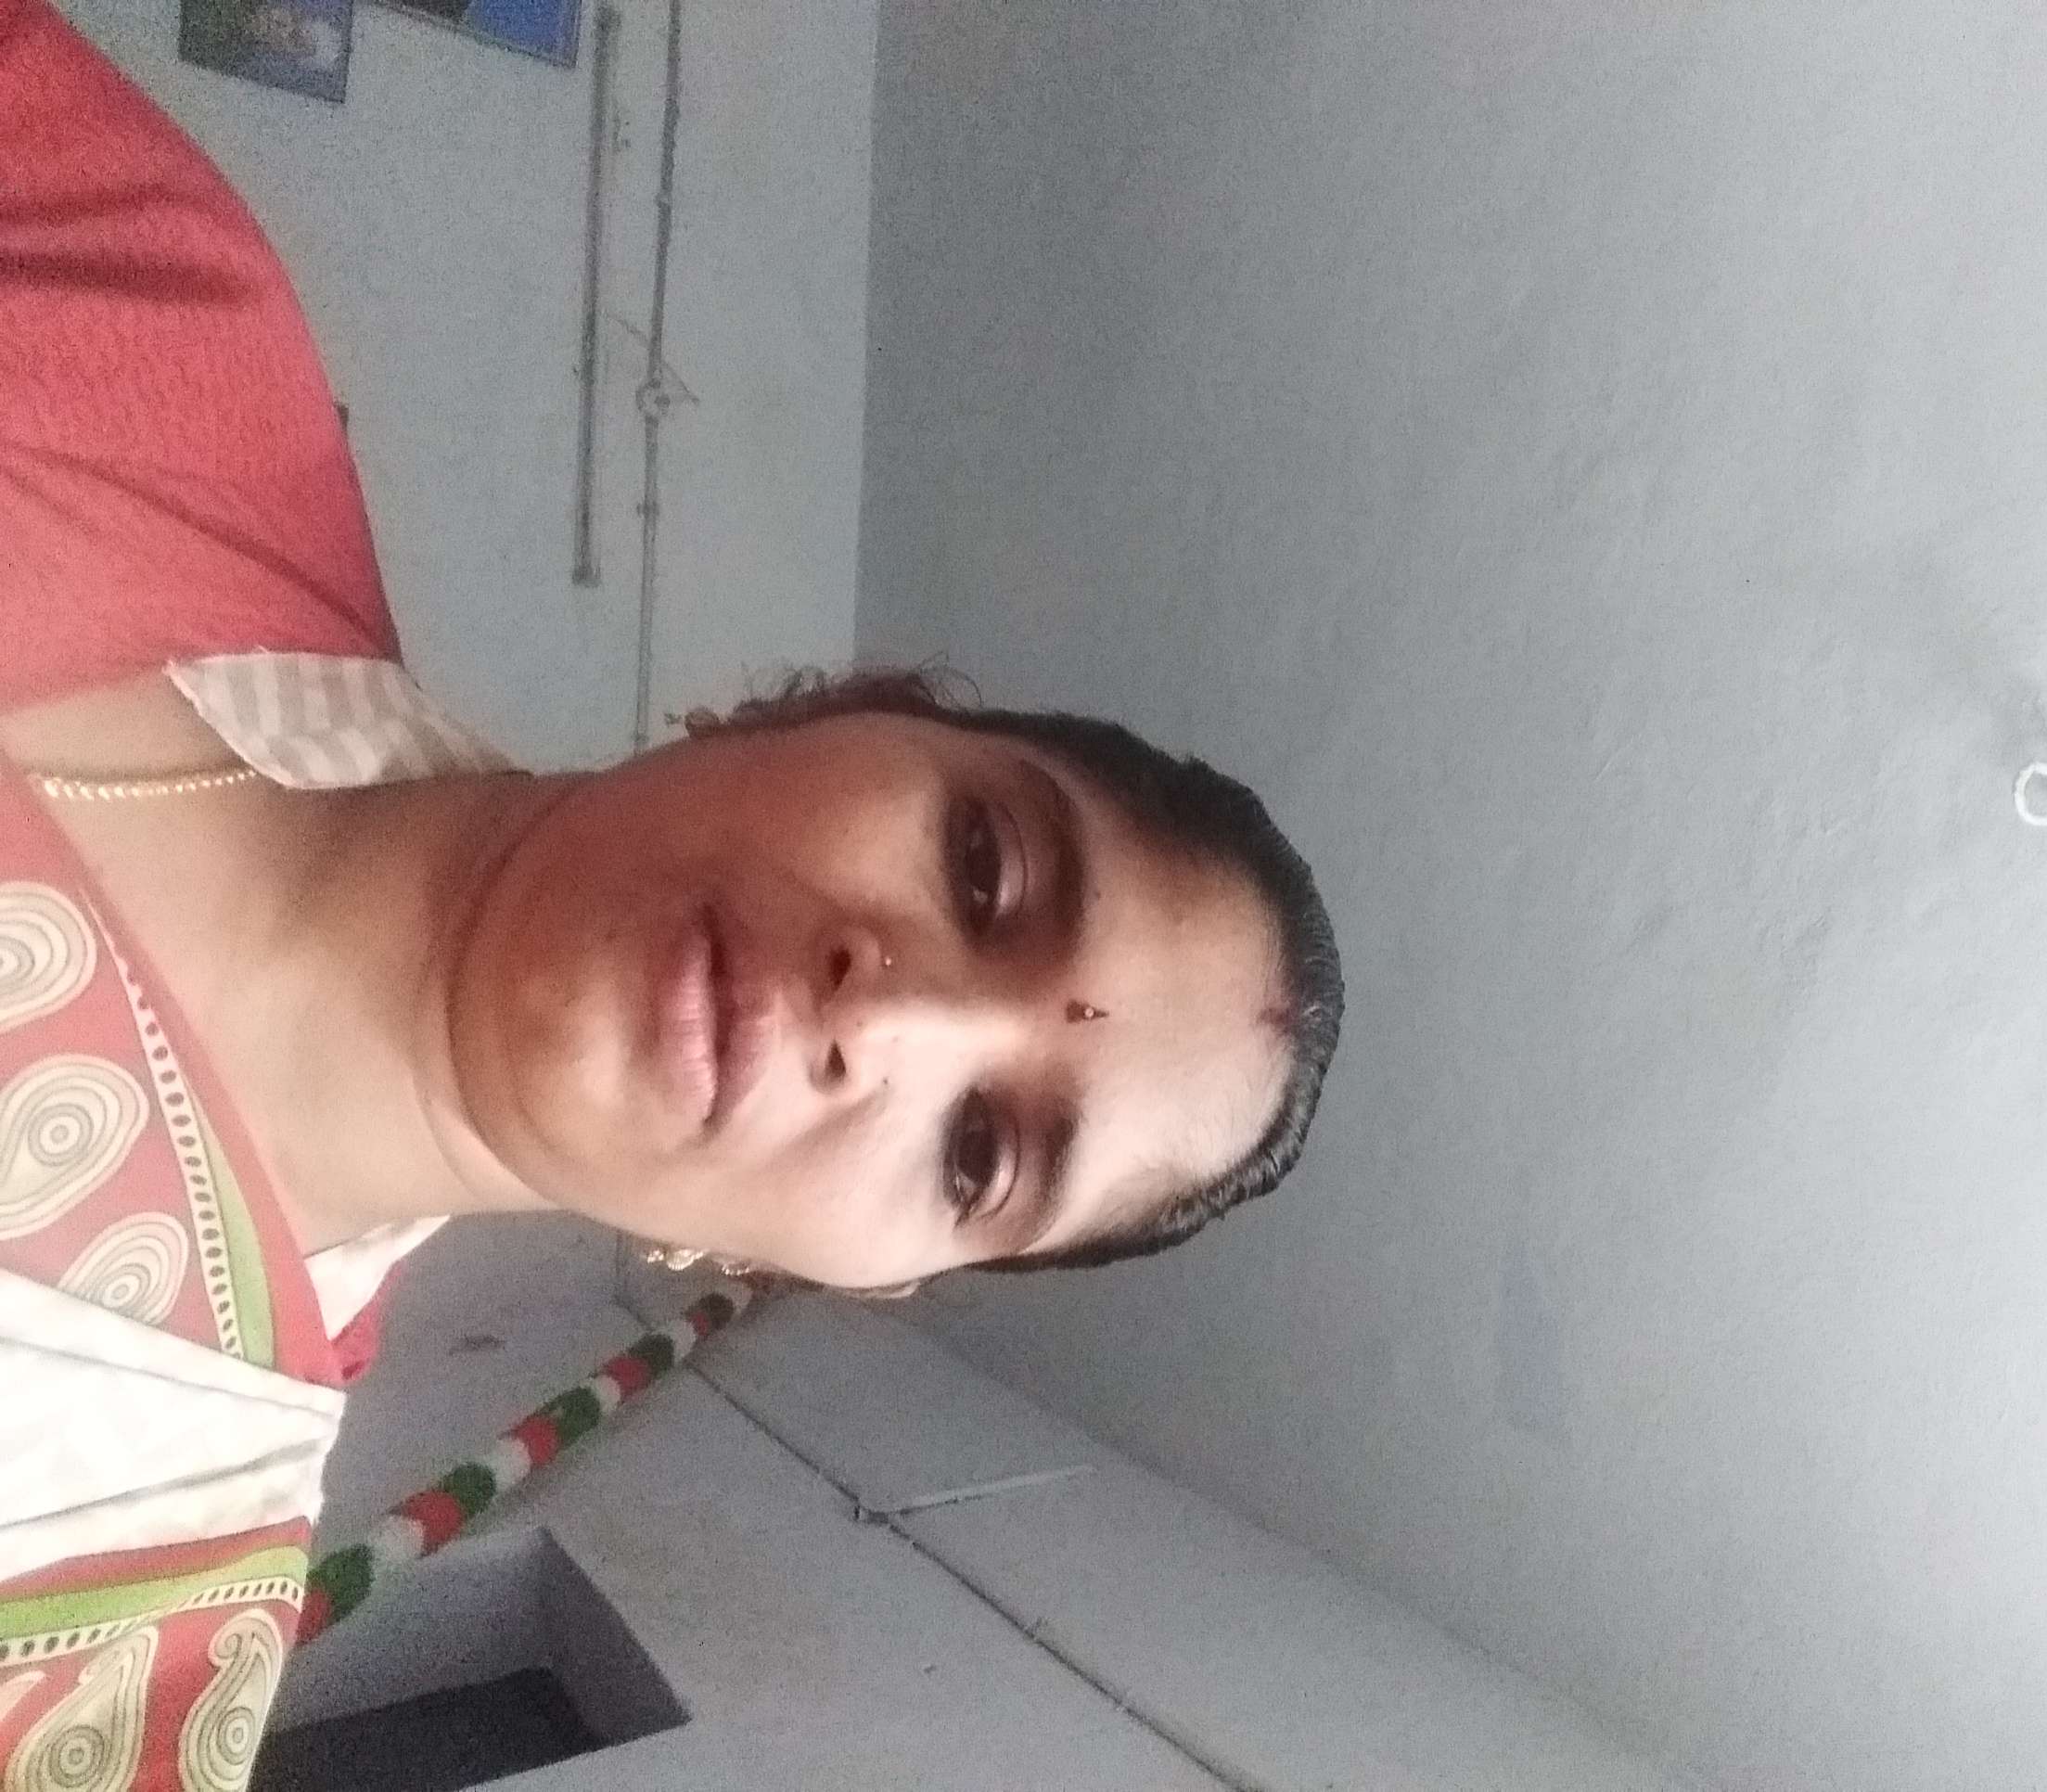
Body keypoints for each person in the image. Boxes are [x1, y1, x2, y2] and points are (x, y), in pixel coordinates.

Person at [0, 3, 1343, 1785]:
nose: (895, 1015)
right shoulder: (146, 311)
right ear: (833, 705)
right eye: (985, 866)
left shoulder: (118, 1648)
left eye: (978, 1156)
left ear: (833, 1271)